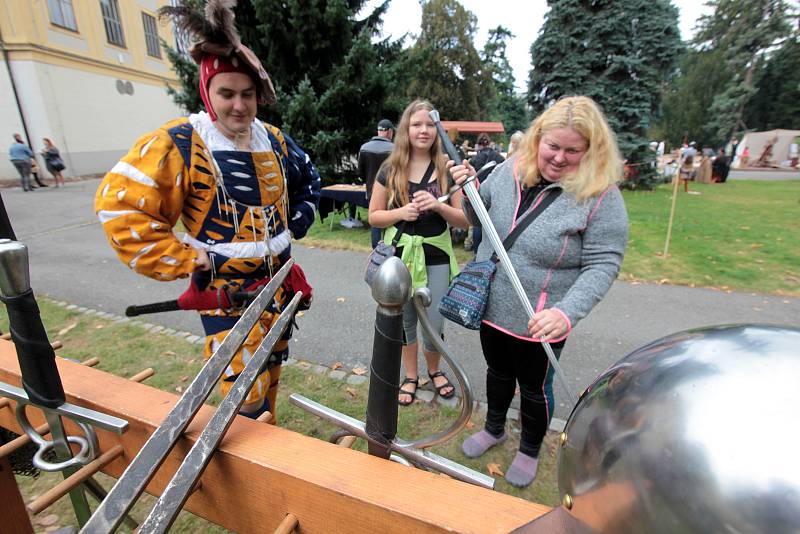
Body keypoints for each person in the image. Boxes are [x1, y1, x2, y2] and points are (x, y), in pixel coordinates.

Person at [95, 1, 320, 421]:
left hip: (278, 288)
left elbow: (309, 176)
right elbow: (120, 206)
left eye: (247, 94)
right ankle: (253, 465)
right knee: (243, 398)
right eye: (227, 93)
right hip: (225, 296)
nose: (239, 105)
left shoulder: (273, 138)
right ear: (207, 91)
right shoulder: (182, 142)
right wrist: (184, 257)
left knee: (270, 374)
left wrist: (297, 220)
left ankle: (270, 458)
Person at [449, 96, 628, 487]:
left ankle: (530, 448)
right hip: (491, 304)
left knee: (533, 387)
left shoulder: (600, 195)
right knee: (497, 373)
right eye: (553, 146)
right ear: (537, 139)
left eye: (572, 150)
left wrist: (565, 313)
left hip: (541, 321)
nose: (559, 157)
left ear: (591, 150)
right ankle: (494, 428)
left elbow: (603, 264)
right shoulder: (511, 168)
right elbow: (475, 218)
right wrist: (468, 190)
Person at [368, 99, 469, 406]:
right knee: (406, 322)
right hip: (398, 258)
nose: (423, 130)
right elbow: (374, 216)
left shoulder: (447, 167)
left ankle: (435, 370)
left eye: (429, 124)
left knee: (434, 322)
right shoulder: (391, 168)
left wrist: (438, 205)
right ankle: (411, 376)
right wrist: (402, 213)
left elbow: (465, 219)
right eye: (416, 124)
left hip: (435, 256)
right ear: (405, 129)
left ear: (436, 129)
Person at [465, 133, 505, 252]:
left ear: (479, 144)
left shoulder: (474, 159)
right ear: (489, 142)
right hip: (495, 193)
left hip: (479, 192)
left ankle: (477, 250)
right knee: (492, 222)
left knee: (478, 222)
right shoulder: (498, 157)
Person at [359, 119, 395, 248]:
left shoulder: (364, 148)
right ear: (390, 132)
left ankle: (376, 250)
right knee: (391, 219)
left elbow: (361, 173)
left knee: (375, 219)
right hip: (391, 190)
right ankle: (390, 246)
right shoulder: (394, 148)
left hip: (371, 190)